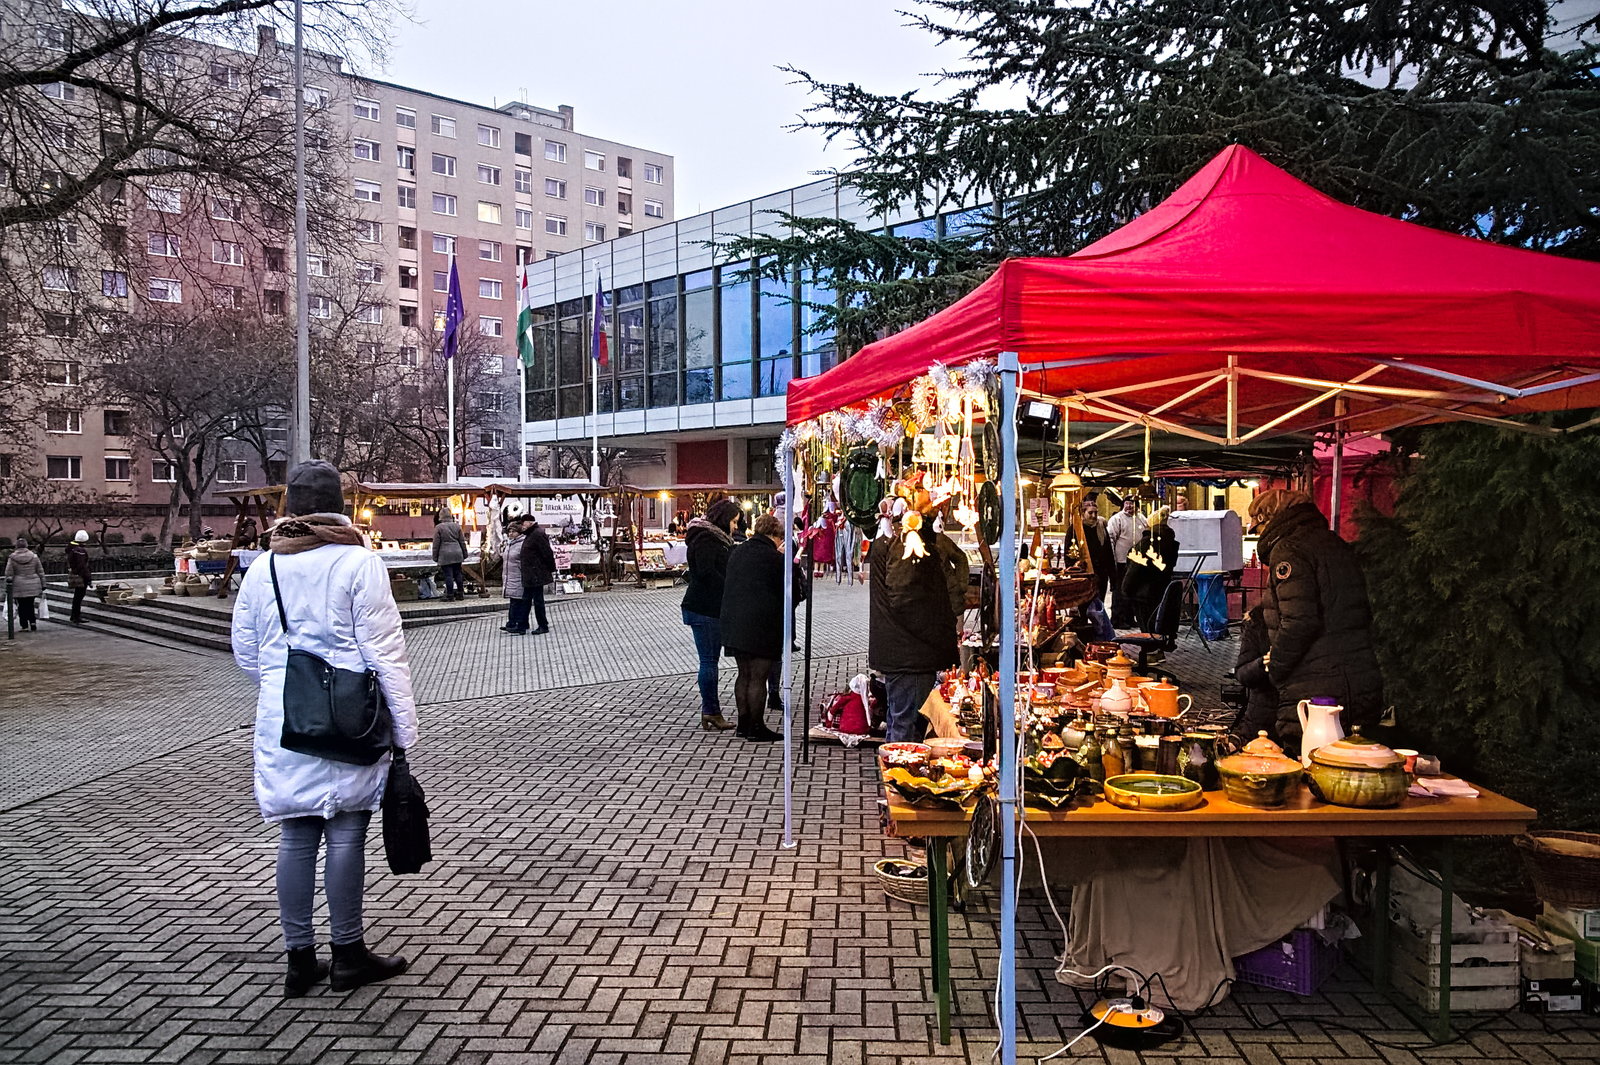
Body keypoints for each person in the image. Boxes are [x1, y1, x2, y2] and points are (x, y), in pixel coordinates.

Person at [230, 460, 418, 997]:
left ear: (289, 510)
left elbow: (244, 651)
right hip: (348, 719)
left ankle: (297, 959)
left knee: (294, 833)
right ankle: (348, 953)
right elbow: (386, 655)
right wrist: (403, 733)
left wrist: (284, 681)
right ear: (338, 507)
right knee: (345, 830)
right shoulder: (359, 563)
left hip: (283, 718)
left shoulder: (263, 567)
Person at [1248, 488, 1384, 754]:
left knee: (1310, 766)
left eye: (1258, 524)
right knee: (1353, 766)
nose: (1257, 533)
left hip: (1314, 685)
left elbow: (1299, 621)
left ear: (1270, 519)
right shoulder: (1334, 543)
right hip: (1361, 676)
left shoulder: (1288, 550)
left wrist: (1275, 666)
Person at [869, 501, 964, 743]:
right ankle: (899, 776)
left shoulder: (895, 541)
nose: (939, 509)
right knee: (905, 723)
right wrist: (938, 636)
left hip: (904, 651)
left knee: (899, 718)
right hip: (910, 654)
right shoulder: (907, 546)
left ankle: (894, 771)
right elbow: (905, 600)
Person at [720, 512, 808, 742]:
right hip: (761, 626)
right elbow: (795, 593)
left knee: (744, 674)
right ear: (774, 536)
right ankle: (756, 727)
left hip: (734, 623)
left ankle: (743, 724)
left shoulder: (737, 552)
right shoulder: (775, 559)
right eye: (780, 539)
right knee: (759, 676)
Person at [681, 499, 740, 731]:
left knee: (709, 661)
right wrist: (729, 587)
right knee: (708, 661)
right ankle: (711, 711)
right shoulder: (707, 539)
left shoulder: (710, 537)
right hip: (704, 607)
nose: (735, 527)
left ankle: (711, 710)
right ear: (724, 519)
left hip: (704, 606)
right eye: (734, 522)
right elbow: (706, 572)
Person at [1118, 520, 1180, 632]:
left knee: (1146, 625)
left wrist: (1125, 589)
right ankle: (1159, 643)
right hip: (1161, 590)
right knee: (1157, 621)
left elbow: (1134, 569)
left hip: (1142, 593)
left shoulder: (1146, 544)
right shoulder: (1171, 545)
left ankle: (1149, 645)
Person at [1230, 604, 1280, 743]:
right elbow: (1242, 674)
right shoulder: (1258, 620)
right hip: (1263, 722)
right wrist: (1262, 663)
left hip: (1303, 719)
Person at [1105, 496, 1148, 618]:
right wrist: (1112, 559)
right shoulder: (1117, 519)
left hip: (1137, 561)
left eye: (1132, 504)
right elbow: (1111, 538)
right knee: (1120, 591)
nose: (1129, 506)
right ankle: (1118, 618)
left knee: (1133, 590)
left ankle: (1130, 617)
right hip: (1121, 561)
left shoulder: (1141, 518)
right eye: (1127, 503)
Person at [1075, 498, 1116, 604]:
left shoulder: (1101, 528)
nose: (1093, 516)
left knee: (1098, 607)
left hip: (1101, 576)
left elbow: (1108, 553)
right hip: (1083, 575)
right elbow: (1068, 553)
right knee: (1084, 605)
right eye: (1090, 513)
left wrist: (1112, 576)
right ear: (1083, 513)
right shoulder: (1076, 529)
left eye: (1095, 513)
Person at [520, 517, 556, 635]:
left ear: (530, 522)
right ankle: (522, 625)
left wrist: (551, 568)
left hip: (536, 573)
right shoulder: (531, 534)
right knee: (526, 600)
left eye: (523, 523)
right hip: (531, 573)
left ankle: (543, 625)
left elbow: (547, 552)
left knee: (538, 601)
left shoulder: (537, 534)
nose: (522, 525)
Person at [6, 537, 46, 631]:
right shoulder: (34, 556)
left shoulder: (12, 558)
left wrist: (7, 587)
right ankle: (32, 622)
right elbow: (40, 571)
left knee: (21, 605)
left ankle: (24, 625)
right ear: (26, 545)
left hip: (18, 584)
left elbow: (9, 573)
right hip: (33, 583)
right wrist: (43, 584)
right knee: (30, 604)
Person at [500, 519, 531, 634]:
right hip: (510, 576)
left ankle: (515, 623)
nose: (510, 534)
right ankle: (514, 622)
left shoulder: (522, 544)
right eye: (509, 531)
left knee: (517, 601)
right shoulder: (510, 544)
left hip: (518, 576)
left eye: (513, 531)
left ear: (519, 533)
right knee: (514, 601)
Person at [431, 508, 467, 601]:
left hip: (445, 554)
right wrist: (465, 553)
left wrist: (435, 557)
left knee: (448, 575)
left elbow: (436, 544)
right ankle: (460, 593)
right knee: (458, 573)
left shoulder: (438, 528)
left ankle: (450, 595)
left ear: (441, 517)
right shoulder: (457, 526)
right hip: (457, 552)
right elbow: (462, 541)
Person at [65, 530, 93, 624]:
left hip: (75, 574)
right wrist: (88, 578)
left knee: (77, 596)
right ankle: (76, 616)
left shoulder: (71, 549)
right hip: (81, 576)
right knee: (79, 596)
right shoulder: (80, 551)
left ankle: (74, 615)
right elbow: (82, 566)